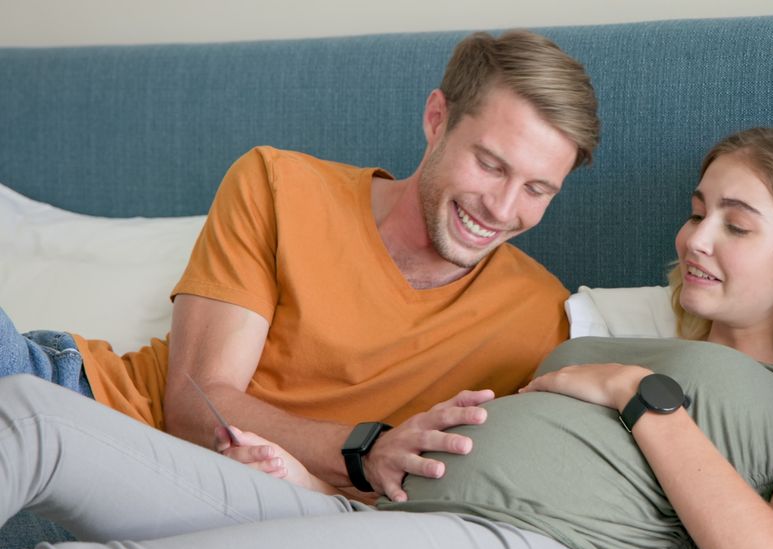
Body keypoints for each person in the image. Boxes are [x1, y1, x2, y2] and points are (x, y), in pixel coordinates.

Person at [0, 127, 773, 549]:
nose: (696, 239)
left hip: (523, 547)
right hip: (381, 517)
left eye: (737, 226)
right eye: (699, 211)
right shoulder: (600, 331)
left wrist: (635, 390)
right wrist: (314, 476)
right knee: (32, 415)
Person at [0, 29, 600, 500]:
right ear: (437, 118)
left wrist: (316, 481)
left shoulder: (542, 322)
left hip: (244, 502)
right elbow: (194, 403)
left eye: (538, 190)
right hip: (97, 404)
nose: (501, 208)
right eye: (491, 165)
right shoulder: (279, 185)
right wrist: (364, 451)